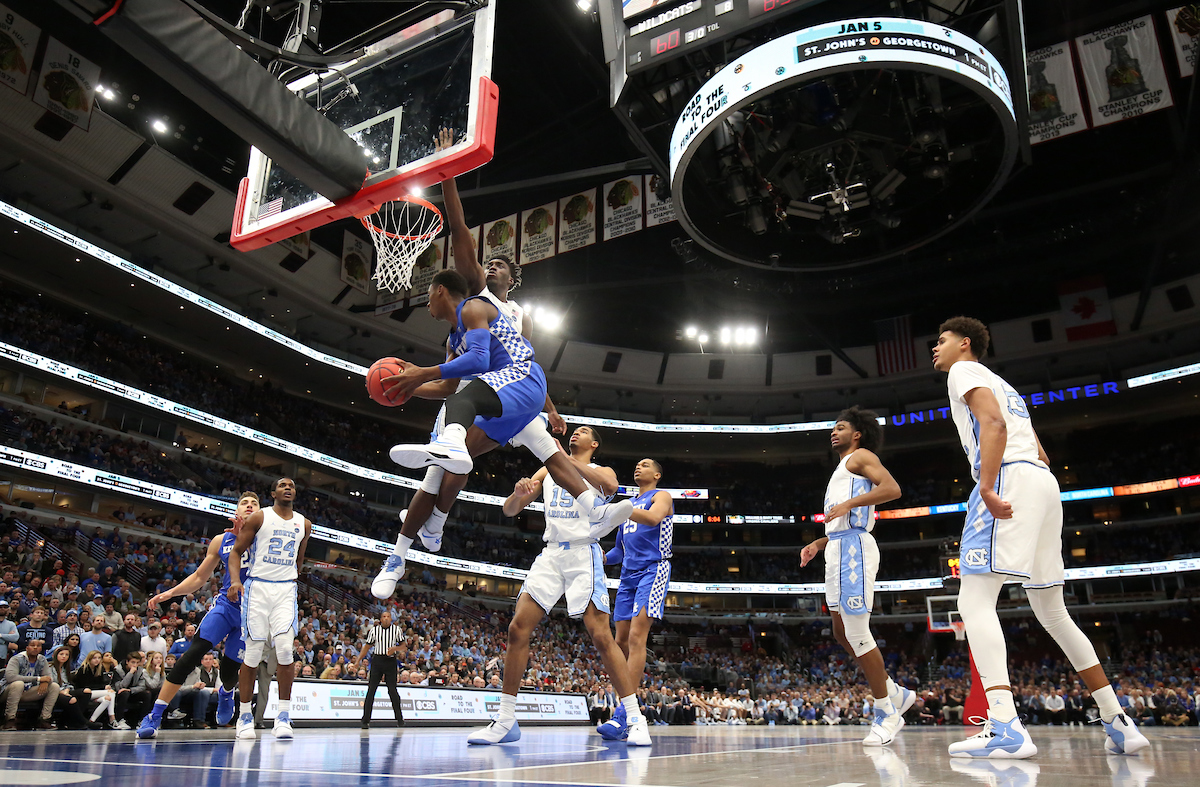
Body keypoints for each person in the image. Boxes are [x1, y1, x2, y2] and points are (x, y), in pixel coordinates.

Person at [933, 316, 1149, 758]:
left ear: (965, 344)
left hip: (1009, 478)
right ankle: (1118, 721)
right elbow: (1041, 452)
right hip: (1043, 483)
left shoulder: (964, 371)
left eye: (941, 341)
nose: (935, 349)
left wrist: (988, 486)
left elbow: (991, 425)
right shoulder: (1005, 384)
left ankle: (1006, 727)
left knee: (973, 601)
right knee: (1053, 612)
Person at [372, 271, 631, 596]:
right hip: (492, 400)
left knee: (466, 443)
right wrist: (409, 388)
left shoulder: (483, 309)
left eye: (428, 296)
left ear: (442, 290)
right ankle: (595, 509)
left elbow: (491, 359)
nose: (426, 305)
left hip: (512, 386)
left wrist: (549, 407)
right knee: (541, 452)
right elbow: (446, 386)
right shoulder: (454, 339)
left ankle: (420, 531)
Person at [465, 426, 644, 746]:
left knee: (601, 634)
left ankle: (634, 717)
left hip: (583, 552)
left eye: (584, 432)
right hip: (551, 554)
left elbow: (612, 485)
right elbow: (509, 510)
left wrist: (560, 456)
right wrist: (519, 496)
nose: (577, 433)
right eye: (575, 431)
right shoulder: (548, 467)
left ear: (594, 444)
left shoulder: (599, 469)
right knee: (517, 628)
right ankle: (506, 720)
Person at [799, 408, 913, 746]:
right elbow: (840, 522)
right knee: (839, 629)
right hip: (836, 547)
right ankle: (894, 691)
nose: (834, 432)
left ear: (858, 433)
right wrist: (819, 543)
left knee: (856, 627)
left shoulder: (861, 456)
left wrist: (851, 504)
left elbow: (892, 489)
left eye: (841, 427)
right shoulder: (841, 468)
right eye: (833, 428)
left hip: (854, 549)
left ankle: (886, 712)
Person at [136, 492, 259, 739]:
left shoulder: (265, 538)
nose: (248, 506)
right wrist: (169, 593)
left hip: (253, 612)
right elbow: (199, 578)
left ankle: (226, 692)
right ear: (236, 510)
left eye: (254, 504)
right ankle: (155, 715)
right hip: (226, 605)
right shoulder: (220, 540)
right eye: (244, 503)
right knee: (190, 655)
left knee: (228, 671)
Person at [228, 478, 312, 740]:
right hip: (258, 587)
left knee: (286, 649)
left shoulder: (304, 524)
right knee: (253, 652)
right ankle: (243, 716)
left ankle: (283, 715)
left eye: (292, 485)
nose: (288, 488)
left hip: (286, 588)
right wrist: (235, 581)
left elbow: (300, 560)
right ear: (274, 492)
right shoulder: (259, 517)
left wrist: (290, 578)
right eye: (283, 485)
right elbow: (236, 552)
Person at [600, 458, 674, 743]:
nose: (638, 467)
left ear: (656, 473)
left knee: (636, 638)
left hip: (654, 569)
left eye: (645, 465)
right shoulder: (628, 505)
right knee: (618, 642)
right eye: (637, 464)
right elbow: (619, 551)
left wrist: (621, 510)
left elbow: (654, 518)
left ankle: (624, 715)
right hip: (628, 574)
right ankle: (626, 707)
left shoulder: (661, 496)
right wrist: (602, 558)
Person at [357, 610, 405, 729]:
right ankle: (365, 720)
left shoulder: (396, 630)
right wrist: (357, 661)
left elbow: (404, 646)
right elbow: (367, 647)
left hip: (390, 661)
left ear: (391, 618)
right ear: (380, 619)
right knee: (371, 690)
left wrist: (395, 649)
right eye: (384, 617)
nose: (386, 618)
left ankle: (400, 719)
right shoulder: (374, 630)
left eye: (388, 616)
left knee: (392, 691)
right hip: (377, 660)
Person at [1, 638, 58, 730]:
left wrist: (45, 681)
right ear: (27, 648)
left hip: (27, 692)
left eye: (38, 646)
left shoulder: (42, 659)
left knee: (54, 686)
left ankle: (44, 719)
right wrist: (38, 679)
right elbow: (10, 677)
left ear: (41, 649)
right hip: (8, 691)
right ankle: (9, 720)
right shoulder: (17, 659)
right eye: (32, 645)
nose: (35, 648)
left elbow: (48, 677)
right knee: (19, 684)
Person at [172, 651, 219, 729]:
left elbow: (197, 683)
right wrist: (193, 686)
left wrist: (199, 685)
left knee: (203, 693)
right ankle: (174, 718)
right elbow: (177, 688)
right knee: (178, 693)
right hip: (180, 693)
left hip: (192, 692)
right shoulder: (178, 670)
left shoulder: (197, 670)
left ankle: (199, 720)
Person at [48, 644, 87, 729]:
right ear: (55, 655)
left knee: (86, 692)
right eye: (61, 654)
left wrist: (67, 690)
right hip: (54, 692)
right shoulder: (50, 667)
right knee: (72, 700)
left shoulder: (66, 668)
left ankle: (72, 721)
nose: (64, 657)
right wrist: (62, 691)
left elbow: (69, 683)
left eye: (66, 655)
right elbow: (51, 684)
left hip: (65, 690)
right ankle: (84, 722)